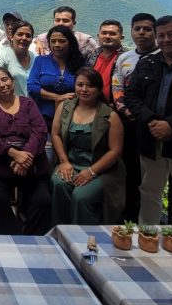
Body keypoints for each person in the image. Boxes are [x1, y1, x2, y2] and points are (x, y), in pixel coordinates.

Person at [125, 15, 172, 225]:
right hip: (150, 138)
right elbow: (132, 96)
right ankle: (147, 238)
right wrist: (151, 121)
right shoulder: (147, 63)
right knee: (149, 191)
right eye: (161, 36)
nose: (166, 39)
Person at [0, 67, 51, 235]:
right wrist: (14, 154)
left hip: (30, 164)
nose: (1, 84)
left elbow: (40, 132)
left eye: (4, 79)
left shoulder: (28, 104)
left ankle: (32, 240)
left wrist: (25, 157)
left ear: (13, 81)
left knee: (42, 199)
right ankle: (11, 238)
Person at [50, 67, 125, 225]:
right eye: (80, 84)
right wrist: (64, 162)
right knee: (59, 183)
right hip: (70, 163)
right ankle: (60, 233)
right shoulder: (65, 107)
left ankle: (85, 240)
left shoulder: (110, 116)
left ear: (98, 89)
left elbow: (115, 151)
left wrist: (91, 171)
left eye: (90, 85)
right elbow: (55, 134)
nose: (84, 89)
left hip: (100, 169)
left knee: (81, 195)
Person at [111, 13, 158, 222]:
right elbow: (116, 86)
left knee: (150, 176)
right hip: (128, 123)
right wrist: (124, 110)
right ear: (130, 32)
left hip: (153, 124)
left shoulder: (161, 57)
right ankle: (127, 216)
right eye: (137, 28)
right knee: (128, 171)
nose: (142, 33)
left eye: (147, 29)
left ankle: (147, 221)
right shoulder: (124, 58)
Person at [27, 25, 85, 129]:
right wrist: (57, 97)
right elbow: (32, 86)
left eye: (62, 41)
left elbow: (87, 87)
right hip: (44, 118)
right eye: (53, 41)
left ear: (70, 42)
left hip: (74, 119)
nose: (57, 45)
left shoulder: (80, 63)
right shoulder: (40, 61)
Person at [0, 20, 36, 98]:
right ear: (11, 36)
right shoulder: (4, 55)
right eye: (20, 34)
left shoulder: (34, 57)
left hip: (34, 106)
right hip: (12, 107)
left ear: (31, 39)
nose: (24, 38)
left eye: (28, 35)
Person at [32, 6, 98, 60]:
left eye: (65, 21)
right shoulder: (42, 38)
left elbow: (98, 59)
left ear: (74, 23)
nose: (61, 23)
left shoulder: (86, 41)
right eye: (57, 20)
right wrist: (37, 42)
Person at [86, 19, 127, 104]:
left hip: (116, 108)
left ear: (121, 38)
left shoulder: (126, 58)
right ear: (98, 36)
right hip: (92, 105)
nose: (107, 36)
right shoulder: (91, 56)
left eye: (112, 34)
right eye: (104, 33)